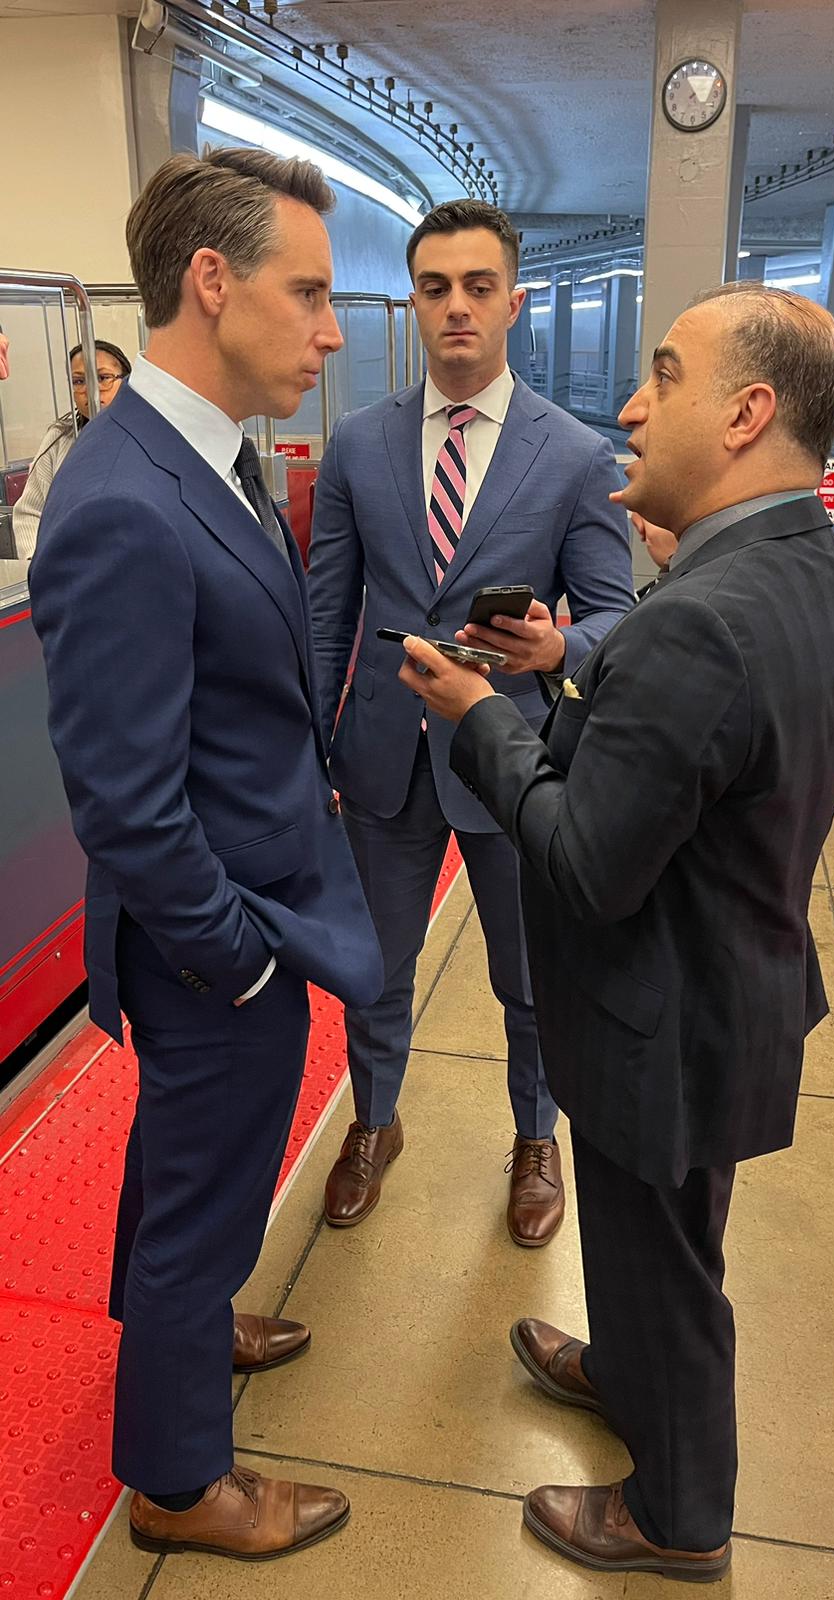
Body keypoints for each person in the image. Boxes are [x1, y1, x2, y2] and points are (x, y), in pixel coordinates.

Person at [399, 282, 834, 1582]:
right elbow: (708, 758)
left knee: (667, 1265)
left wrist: (478, 713)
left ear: (745, 413)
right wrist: (570, 655)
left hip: (656, 1018)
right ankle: (624, 1368)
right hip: (733, 994)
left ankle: (679, 1516)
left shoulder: (700, 622)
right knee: (654, 1237)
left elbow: (584, 862)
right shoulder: (826, 578)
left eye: (662, 376)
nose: (630, 404)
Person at [29, 147, 383, 1564]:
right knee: (202, 1182)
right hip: (211, 935)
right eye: (309, 292)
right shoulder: (124, 499)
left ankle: (186, 1330)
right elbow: (120, 795)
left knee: (203, 1171)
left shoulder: (204, 458)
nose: (333, 327)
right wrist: (233, 958)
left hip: (243, 907)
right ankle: (179, 1478)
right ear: (212, 280)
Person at [308, 200, 634, 1245]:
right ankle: (375, 1119)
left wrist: (559, 649)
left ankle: (536, 1138)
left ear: (513, 302)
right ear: (415, 300)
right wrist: (314, 742)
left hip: (512, 755)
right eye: (437, 287)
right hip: (383, 756)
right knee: (377, 964)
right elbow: (328, 608)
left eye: (478, 287)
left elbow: (614, 616)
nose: (457, 307)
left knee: (530, 977)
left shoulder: (576, 455)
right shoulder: (357, 445)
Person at [13, 341, 131, 558]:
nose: (90, 391)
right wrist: (36, 563)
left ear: (125, 381)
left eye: (103, 378)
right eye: (79, 381)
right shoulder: (59, 437)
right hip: (66, 571)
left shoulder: (143, 435)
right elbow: (29, 511)